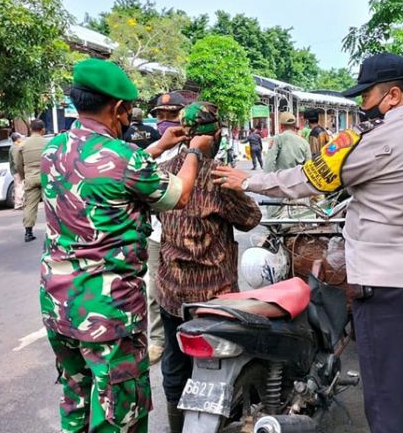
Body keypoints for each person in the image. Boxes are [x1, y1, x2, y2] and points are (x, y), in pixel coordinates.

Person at [213, 52, 403, 433]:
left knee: (390, 394)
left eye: (366, 97)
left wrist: (247, 181)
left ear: (394, 95)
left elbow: (309, 180)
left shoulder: (372, 142)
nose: (362, 106)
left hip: (388, 285)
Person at [39, 58, 212, 433]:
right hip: (108, 311)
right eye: (129, 111)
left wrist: (159, 145)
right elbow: (179, 195)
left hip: (59, 305)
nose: (130, 118)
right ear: (117, 108)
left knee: (77, 398)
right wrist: (195, 150)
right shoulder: (125, 158)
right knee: (121, 413)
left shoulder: (54, 150)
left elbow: (106, 174)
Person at [156, 102, 262, 432]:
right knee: (226, 367)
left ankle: (177, 424)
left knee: (174, 367)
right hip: (214, 299)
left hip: (172, 294)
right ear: (215, 137)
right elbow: (251, 219)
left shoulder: (163, 173)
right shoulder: (218, 176)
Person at [145, 91, 188, 364]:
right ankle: (158, 340)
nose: (164, 121)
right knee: (154, 290)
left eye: (170, 116)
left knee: (186, 288)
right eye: (160, 116)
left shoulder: (195, 150)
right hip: (156, 234)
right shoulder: (148, 150)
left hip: (185, 233)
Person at [14, 119, 47, 242]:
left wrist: (24, 177)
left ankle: (28, 233)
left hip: (30, 179)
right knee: (51, 205)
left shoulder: (22, 145)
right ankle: (55, 230)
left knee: (30, 206)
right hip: (46, 178)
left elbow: (18, 164)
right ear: (42, 130)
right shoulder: (48, 143)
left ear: (30, 129)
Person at [8, 132, 25, 210]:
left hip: (16, 170)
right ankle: (18, 204)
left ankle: (20, 203)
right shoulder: (15, 148)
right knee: (19, 186)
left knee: (20, 186)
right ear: (17, 139)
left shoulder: (15, 147)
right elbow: (16, 161)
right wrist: (20, 170)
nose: (21, 139)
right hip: (17, 170)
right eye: (20, 138)